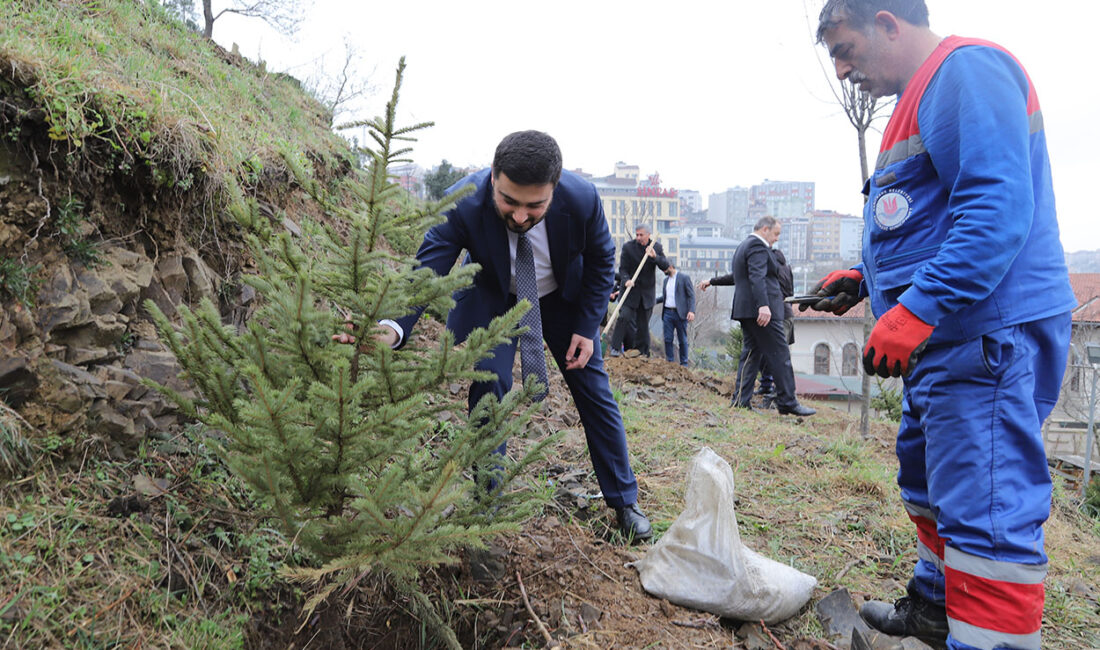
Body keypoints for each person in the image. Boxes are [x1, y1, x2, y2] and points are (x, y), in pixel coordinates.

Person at [811, 2, 1076, 647]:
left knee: (985, 513)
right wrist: (867, 281)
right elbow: (928, 219)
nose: (842, 70)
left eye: (846, 49)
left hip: (984, 335)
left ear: (888, 23)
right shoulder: (922, 94)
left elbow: (994, 210)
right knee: (932, 485)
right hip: (950, 339)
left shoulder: (966, 71)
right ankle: (935, 609)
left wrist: (917, 307)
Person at [374, 130, 652, 542]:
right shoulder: (464, 201)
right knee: (490, 384)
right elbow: (427, 267)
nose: (521, 217)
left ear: (554, 192)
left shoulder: (582, 199)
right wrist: (391, 326)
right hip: (496, 297)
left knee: (594, 390)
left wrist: (587, 327)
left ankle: (624, 501)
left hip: (562, 299)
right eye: (509, 201)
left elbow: (601, 259)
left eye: (534, 206)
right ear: (492, 178)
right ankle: (488, 501)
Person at [700, 217, 815, 417]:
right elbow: (757, 276)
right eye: (776, 234)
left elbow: (738, 277)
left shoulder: (744, 246)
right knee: (780, 353)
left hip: (747, 310)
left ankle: (740, 399)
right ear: (765, 229)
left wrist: (711, 281)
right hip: (761, 311)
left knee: (751, 354)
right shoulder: (757, 246)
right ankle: (787, 401)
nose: (777, 239)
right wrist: (764, 305)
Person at [609, 224, 669, 357]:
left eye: (641, 235)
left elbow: (666, 267)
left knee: (643, 325)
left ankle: (643, 352)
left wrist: (655, 257)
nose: (638, 237)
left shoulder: (656, 247)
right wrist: (626, 280)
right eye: (637, 235)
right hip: (630, 292)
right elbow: (623, 269)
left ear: (648, 235)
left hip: (647, 294)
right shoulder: (628, 248)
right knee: (623, 317)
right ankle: (615, 348)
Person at [756, 247, 796, 403]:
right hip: (785, 312)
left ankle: (774, 387)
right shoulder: (787, 269)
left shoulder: (772, 271)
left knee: (775, 353)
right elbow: (790, 291)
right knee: (771, 352)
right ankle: (767, 384)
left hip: (779, 314)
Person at [656, 262, 695, 366]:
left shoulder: (684, 278)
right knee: (668, 339)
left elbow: (691, 295)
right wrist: (652, 301)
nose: (663, 271)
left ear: (671, 266)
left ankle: (684, 363)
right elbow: (665, 297)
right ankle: (670, 362)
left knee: (682, 339)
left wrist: (691, 311)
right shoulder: (665, 281)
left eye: (665, 268)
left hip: (680, 313)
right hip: (667, 312)